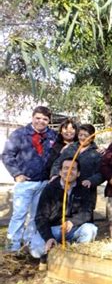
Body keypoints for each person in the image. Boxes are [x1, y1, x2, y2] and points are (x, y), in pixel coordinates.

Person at [2, 106, 57, 252]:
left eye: (45, 119)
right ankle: (12, 246)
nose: (41, 121)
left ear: (49, 121)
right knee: (19, 214)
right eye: (38, 118)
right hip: (25, 182)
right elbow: (7, 155)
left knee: (35, 215)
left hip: (44, 183)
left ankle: (29, 243)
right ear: (32, 117)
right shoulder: (20, 134)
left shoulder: (53, 135)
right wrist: (17, 174)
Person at [29, 157, 98, 259]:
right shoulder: (50, 189)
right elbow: (41, 216)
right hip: (53, 229)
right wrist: (49, 237)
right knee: (36, 250)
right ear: (60, 172)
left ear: (78, 173)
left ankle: (75, 252)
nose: (69, 171)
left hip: (73, 229)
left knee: (90, 229)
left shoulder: (83, 189)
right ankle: (55, 249)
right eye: (65, 168)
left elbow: (87, 212)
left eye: (73, 168)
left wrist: (72, 222)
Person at [51, 124, 104, 219]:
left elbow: (102, 173)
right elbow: (57, 163)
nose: (82, 138)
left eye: (86, 135)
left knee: (85, 220)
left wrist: (91, 181)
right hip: (67, 190)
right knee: (63, 218)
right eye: (80, 135)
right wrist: (54, 175)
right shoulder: (70, 148)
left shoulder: (97, 153)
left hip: (86, 192)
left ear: (92, 137)